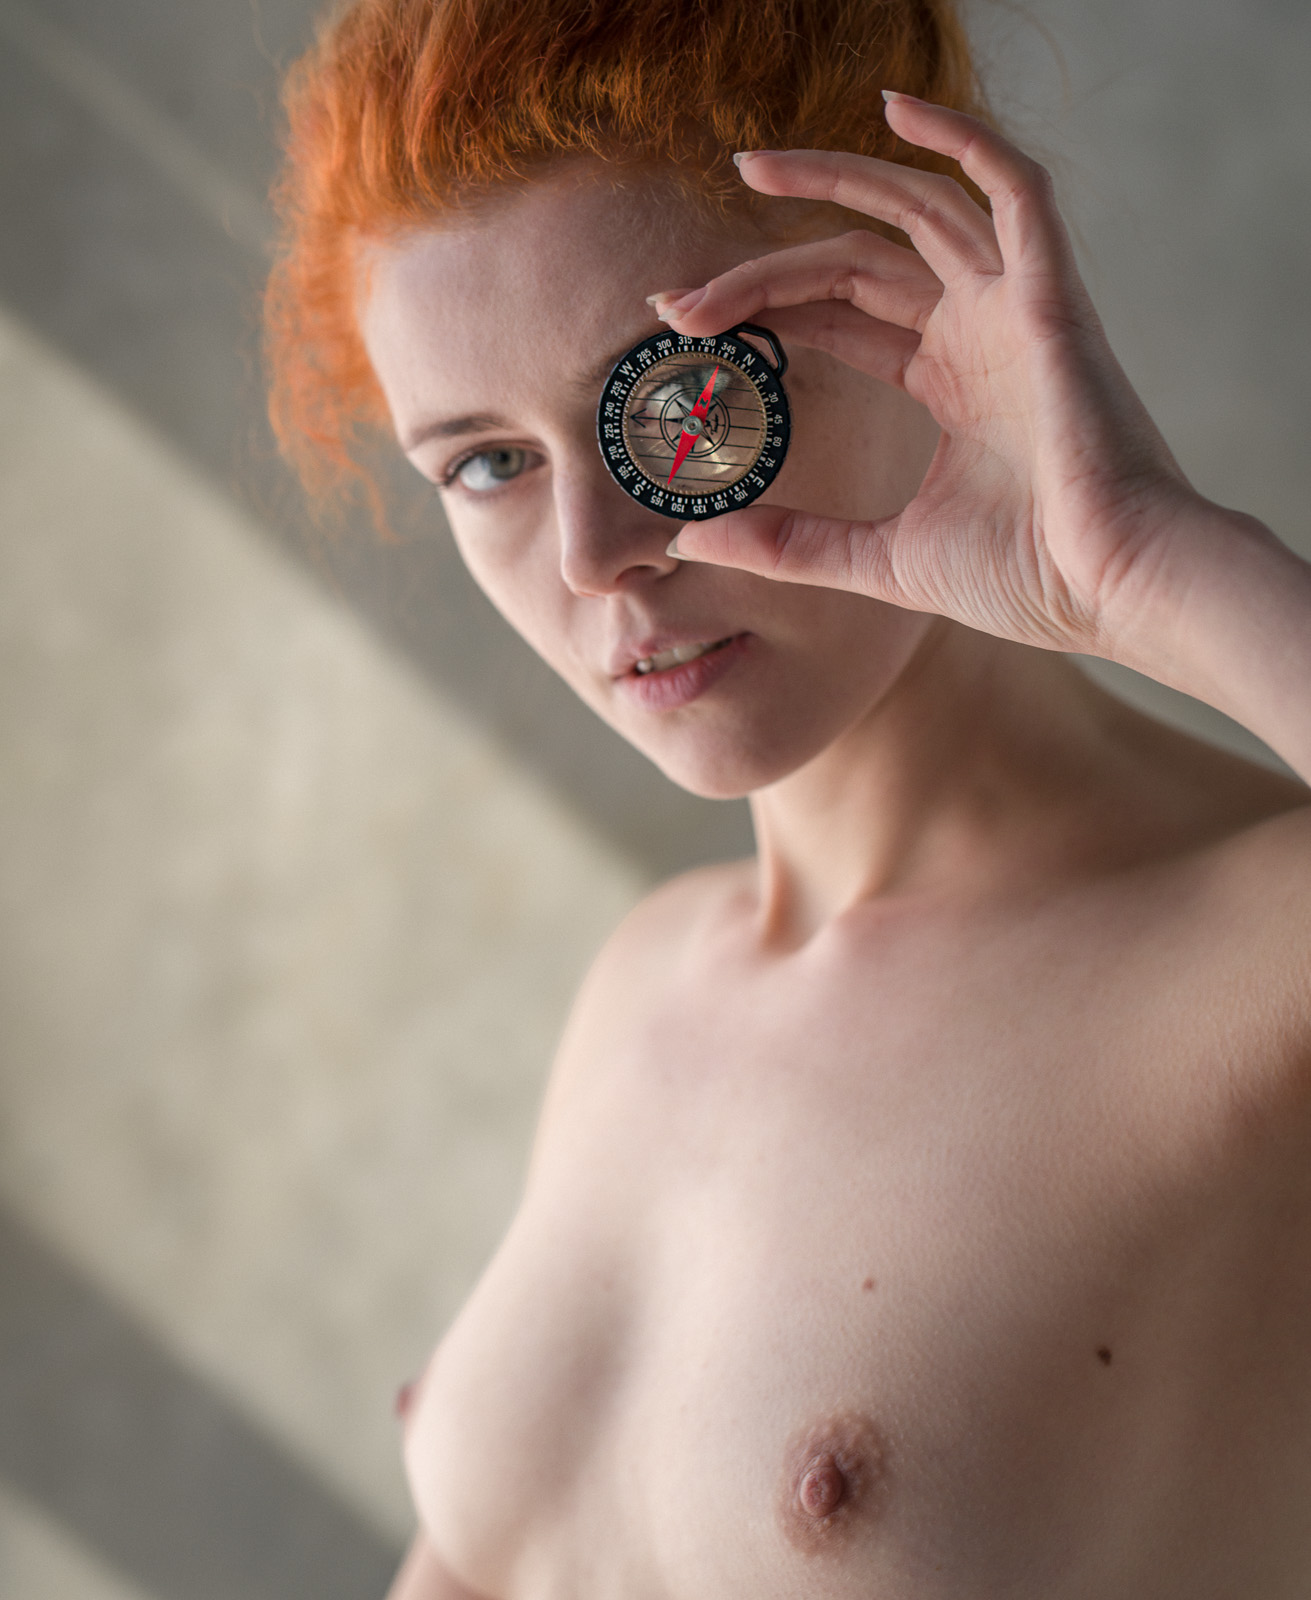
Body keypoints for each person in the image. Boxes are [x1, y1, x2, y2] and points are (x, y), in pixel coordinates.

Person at [265, 0, 1311, 1593]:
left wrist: (1152, 567)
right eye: (487, 463)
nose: (596, 555)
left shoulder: (1255, 968)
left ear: (926, 298)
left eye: (683, 400)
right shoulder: (645, 983)